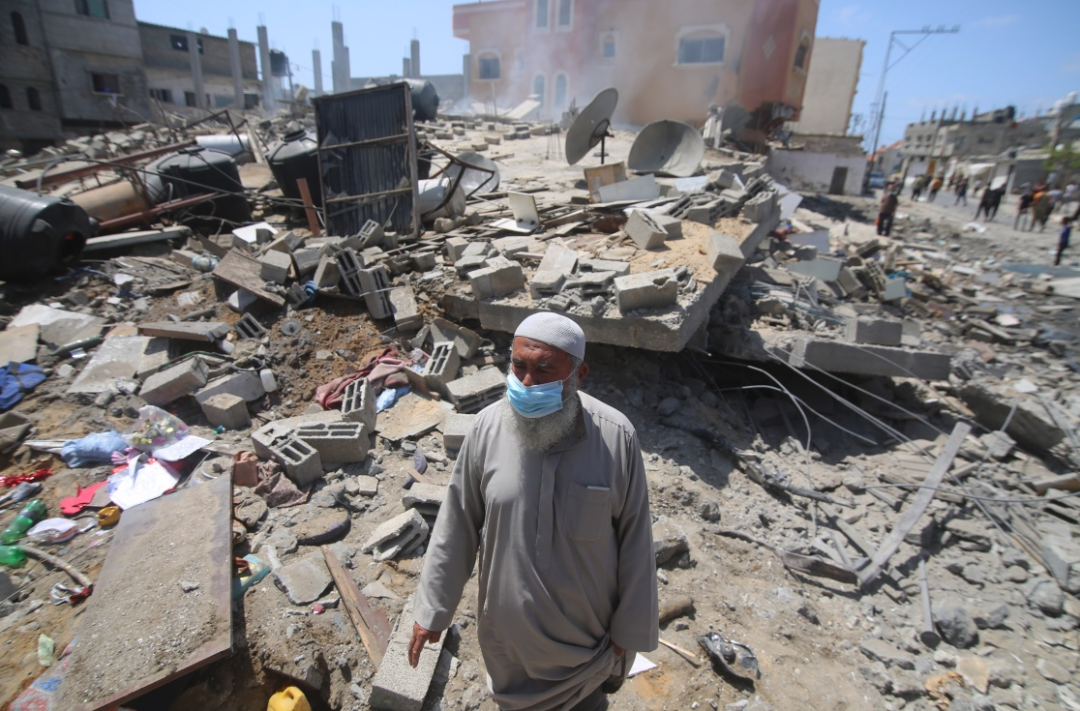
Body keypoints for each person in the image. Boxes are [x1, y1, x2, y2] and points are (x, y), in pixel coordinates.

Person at [410, 313, 658, 711]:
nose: (527, 382)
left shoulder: (616, 438)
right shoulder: (486, 429)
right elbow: (456, 525)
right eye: (519, 366)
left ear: (579, 375)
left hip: (584, 650)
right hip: (507, 647)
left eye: (544, 370)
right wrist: (431, 612)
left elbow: (636, 541)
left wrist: (628, 634)